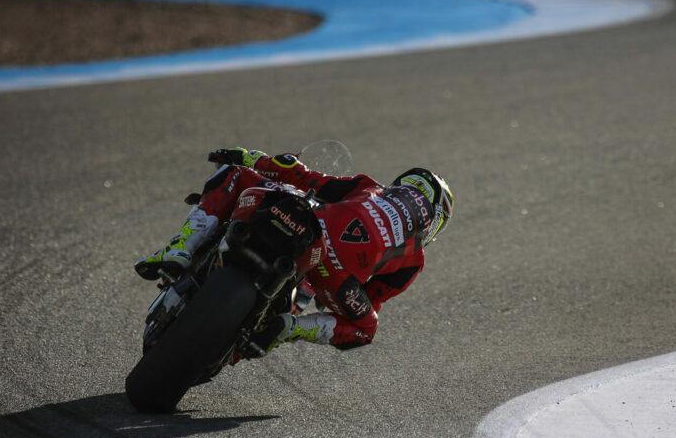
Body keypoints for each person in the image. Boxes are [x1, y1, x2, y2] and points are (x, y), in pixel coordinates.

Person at [134, 147, 453, 353]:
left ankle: (182, 248)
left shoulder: (370, 187)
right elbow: (370, 303)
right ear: (435, 223)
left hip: (314, 228)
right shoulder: (412, 259)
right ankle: (287, 329)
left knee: (236, 175)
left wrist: (247, 157)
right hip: (331, 271)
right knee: (366, 329)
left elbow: (298, 173)